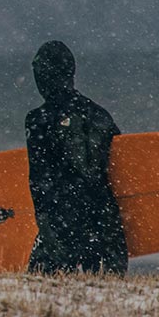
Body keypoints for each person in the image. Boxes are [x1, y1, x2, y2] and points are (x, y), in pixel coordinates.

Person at [24, 40, 127, 275]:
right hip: (105, 222)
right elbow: (120, 170)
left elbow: (39, 179)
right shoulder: (99, 115)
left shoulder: (38, 120)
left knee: (40, 287)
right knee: (105, 292)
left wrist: (46, 226)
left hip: (63, 220)